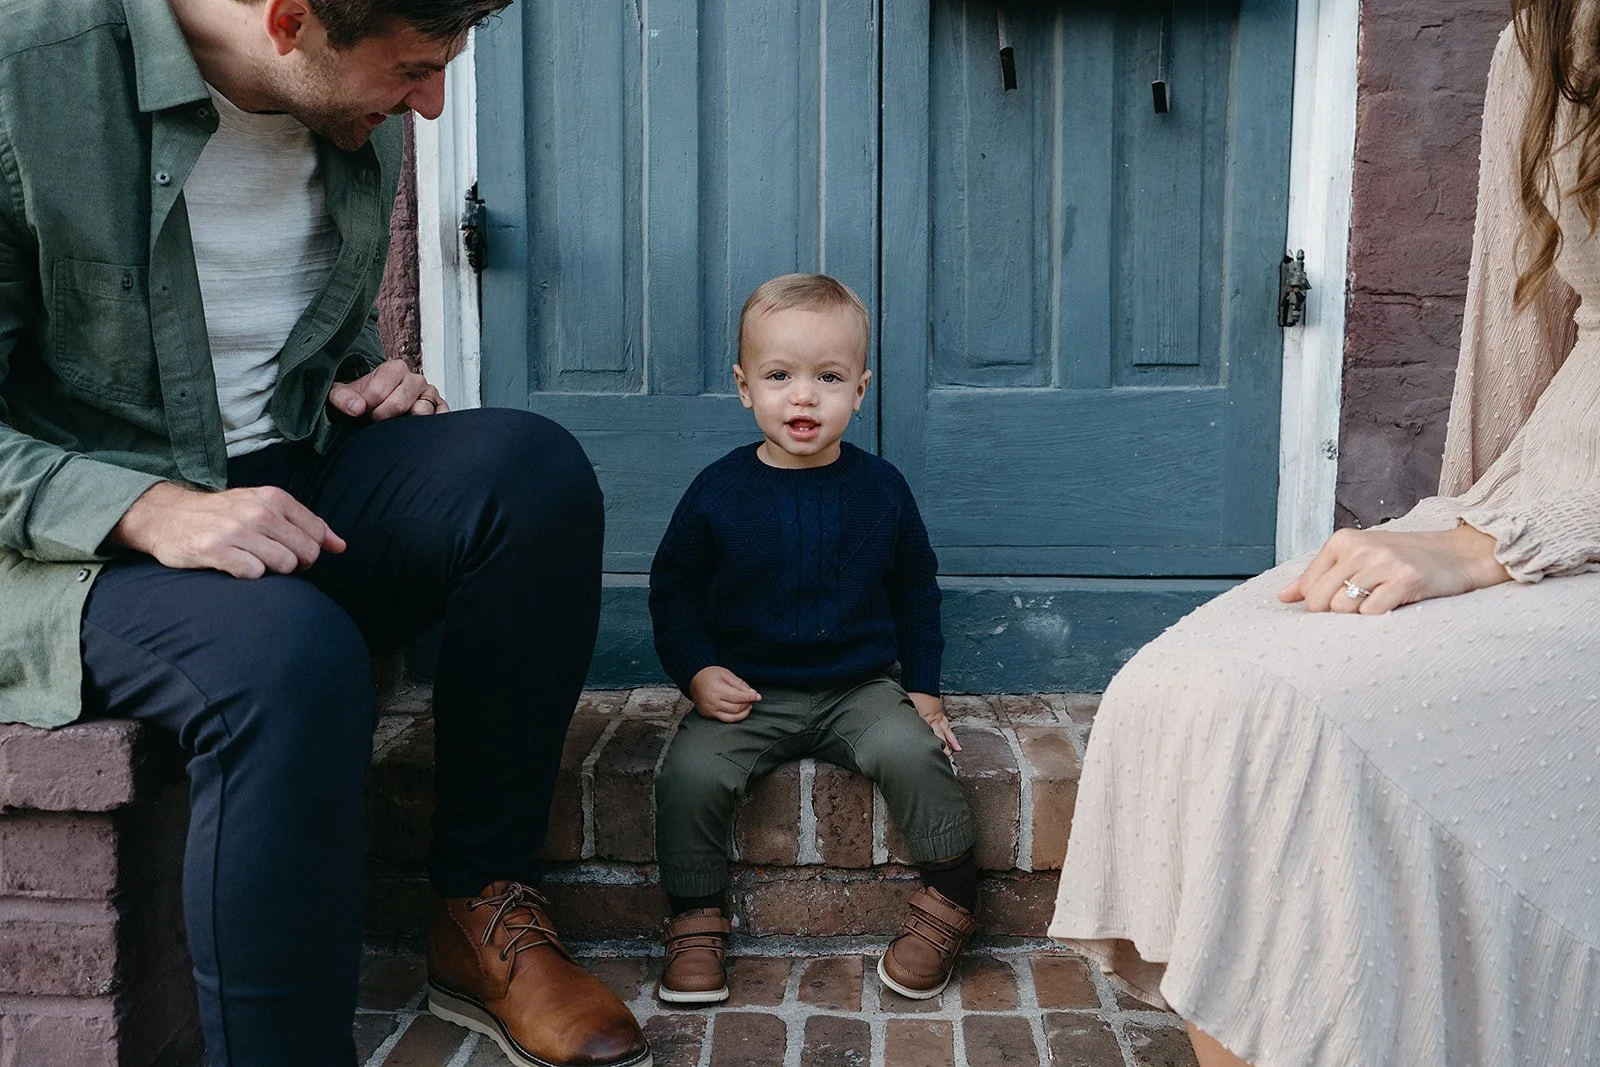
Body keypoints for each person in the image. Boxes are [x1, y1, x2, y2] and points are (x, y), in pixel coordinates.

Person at [0, 1, 652, 1065]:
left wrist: (359, 374)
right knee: (292, 656)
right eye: (415, 70)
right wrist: (149, 510)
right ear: (291, 20)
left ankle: (476, 908)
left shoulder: (348, 105)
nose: (432, 106)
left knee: (529, 477)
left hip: (282, 476)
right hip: (69, 537)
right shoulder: (27, 73)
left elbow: (281, 327)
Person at [1048, 4, 1600, 1065]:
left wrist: (1506, 544)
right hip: (1540, 496)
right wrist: (1466, 523)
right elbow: (1517, 336)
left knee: (1289, 728)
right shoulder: (1547, 31)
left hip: (1552, 528)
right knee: (1188, 694)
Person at [647, 273, 980, 1005]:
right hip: (749, 691)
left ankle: (953, 897)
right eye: (779, 376)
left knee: (914, 753)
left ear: (860, 390)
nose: (803, 397)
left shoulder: (882, 490)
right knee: (691, 774)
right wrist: (697, 671)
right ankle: (695, 918)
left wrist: (923, 691)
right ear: (744, 387)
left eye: (828, 377)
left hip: (859, 688)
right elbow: (674, 592)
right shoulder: (717, 491)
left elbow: (915, 589)